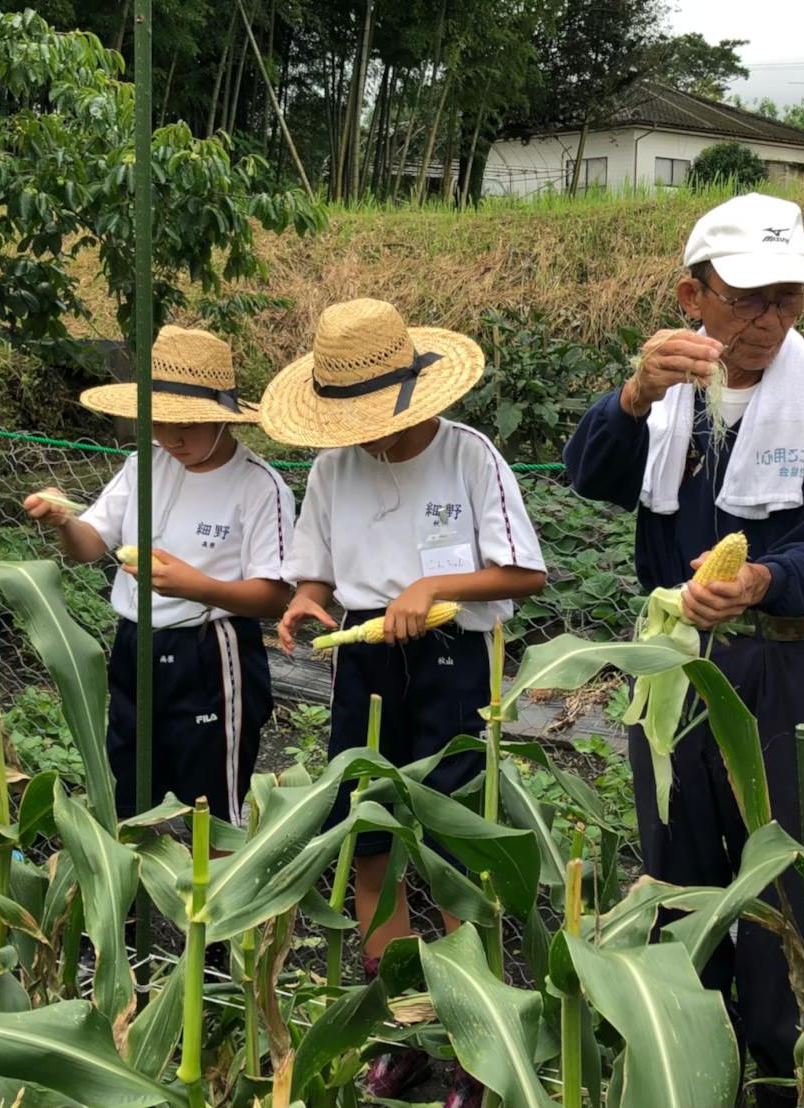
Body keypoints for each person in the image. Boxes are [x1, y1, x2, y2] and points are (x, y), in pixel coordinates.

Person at [563, 193, 804, 1103]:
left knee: (783, 879)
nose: (769, 320)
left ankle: (782, 1069)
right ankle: (690, 1058)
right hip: (674, 670)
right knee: (677, 864)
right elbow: (591, 477)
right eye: (747, 297)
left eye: (789, 299)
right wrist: (631, 394)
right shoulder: (669, 398)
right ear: (691, 295)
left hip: (783, 667)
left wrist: (759, 582)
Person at [261, 298, 546, 1107]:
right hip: (366, 662)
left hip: (457, 662)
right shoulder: (332, 468)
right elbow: (316, 569)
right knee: (372, 842)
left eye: (372, 418)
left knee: (457, 853)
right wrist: (305, 600)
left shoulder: (469, 457)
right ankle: (402, 1030)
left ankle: (475, 1043)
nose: (364, 436)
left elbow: (524, 574)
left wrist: (434, 585)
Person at [24, 326, 293, 825]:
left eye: (187, 423)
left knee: (209, 807)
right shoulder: (143, 464)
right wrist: (63, 521)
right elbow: (90, 545)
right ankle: (138, 899)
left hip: (210, 653)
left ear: (223, 418)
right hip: (133, 645)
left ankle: (215, 895)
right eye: (159, 422)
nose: (172, 437)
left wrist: (197, 586)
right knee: (129, 791)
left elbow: (274, 595)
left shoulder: (259, 488)